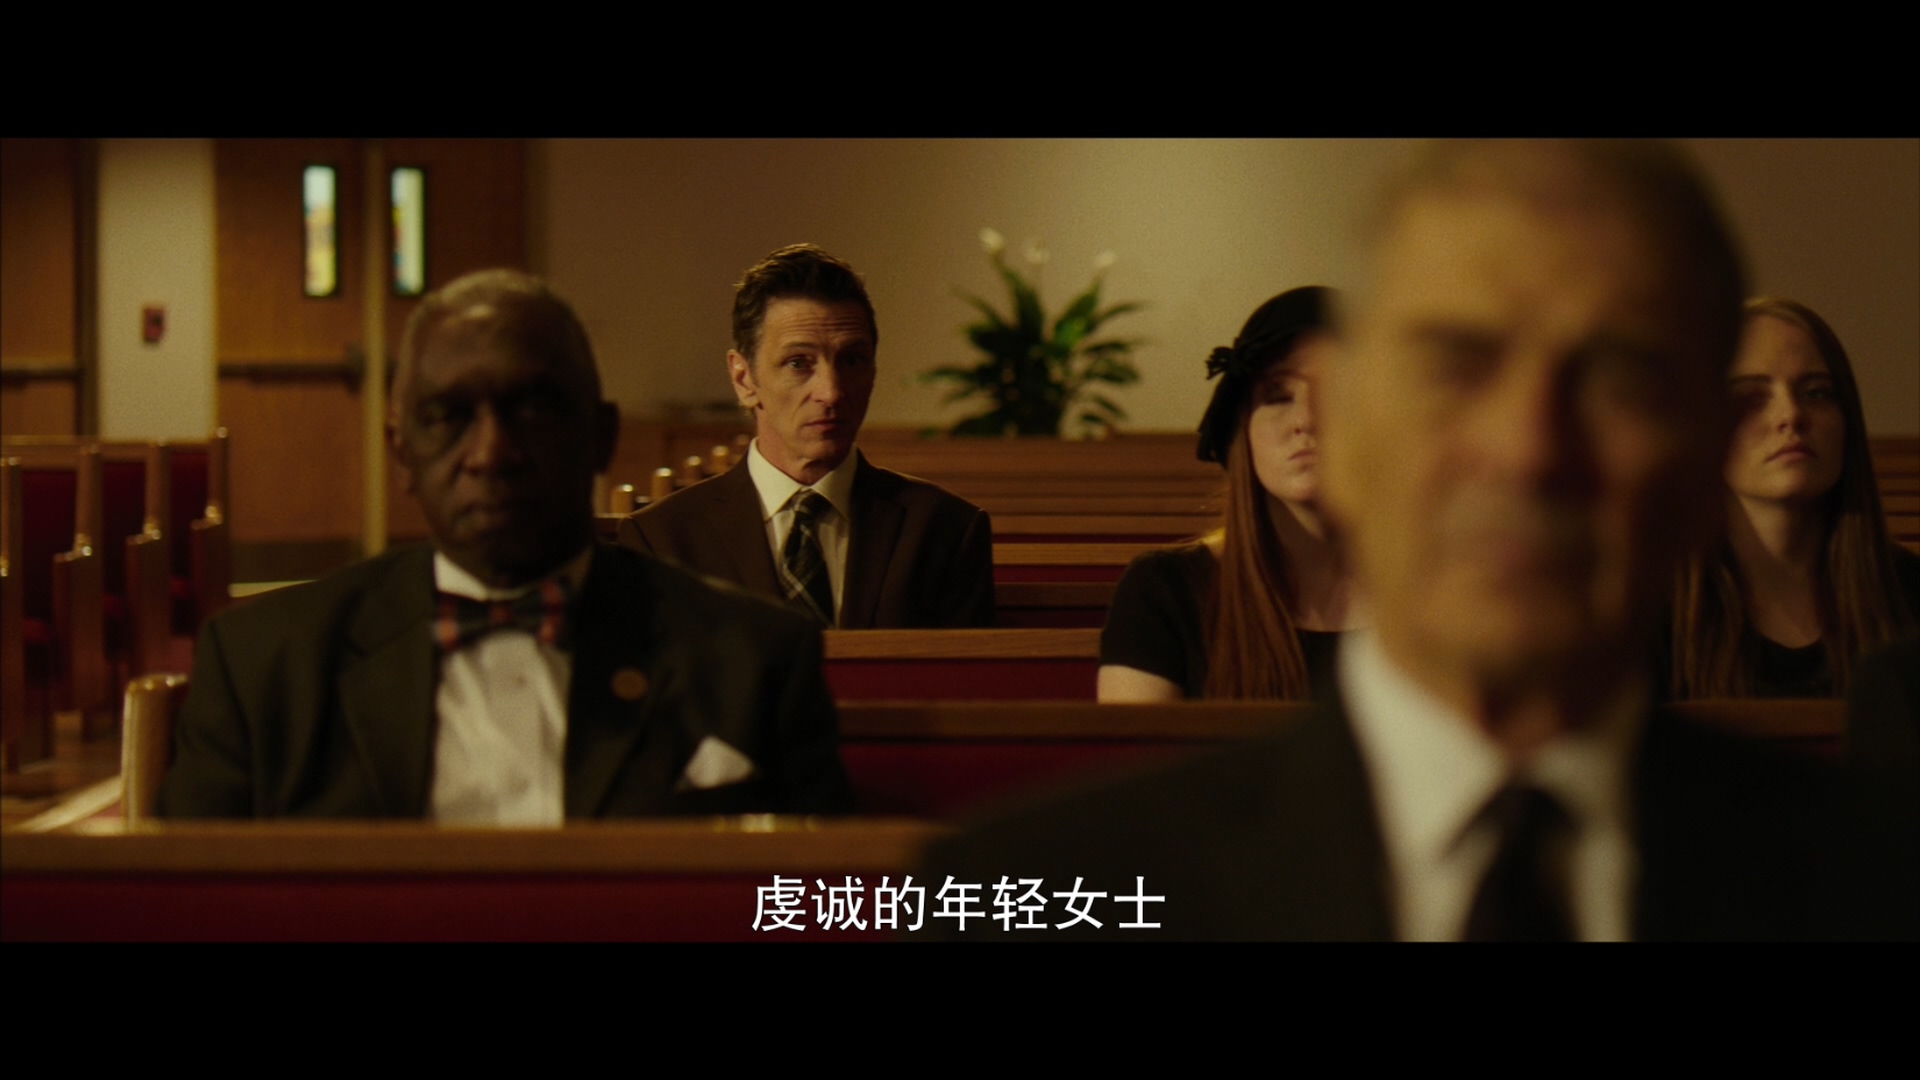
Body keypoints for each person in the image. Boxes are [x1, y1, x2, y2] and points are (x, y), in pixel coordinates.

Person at [923, 140, 1902, 940]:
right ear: (1352, 438)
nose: (1527, 448)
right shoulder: (1045, 898)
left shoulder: (1879, 888)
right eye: (1456, 365)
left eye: (1618, 379)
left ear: (1704, 458)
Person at [159, 269, 854, 821]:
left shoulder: (753, 659)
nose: (492, 452)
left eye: (535, 409)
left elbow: (816, 910)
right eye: (449, 416)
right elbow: (190, 916)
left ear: (600, 437)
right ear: (402, 453)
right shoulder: (263, 669)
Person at [619, 244, 995, 629]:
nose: (831, 392)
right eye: (798, 363)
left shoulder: (944, 530)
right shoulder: (662, 539)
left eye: (852, 360)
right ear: (744, 379)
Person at [1099, 286, 1359, 701]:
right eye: (1278, 396)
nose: (1306, 420)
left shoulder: (1443, 592)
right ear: (1244, 430)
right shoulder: (1166, 592)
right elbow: (1135, 740)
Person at [1666, 297, 1920, 698]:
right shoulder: (1650, 604)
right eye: (1752, 397)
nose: (1791, 415)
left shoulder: (1908, 595)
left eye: (1816, 393)